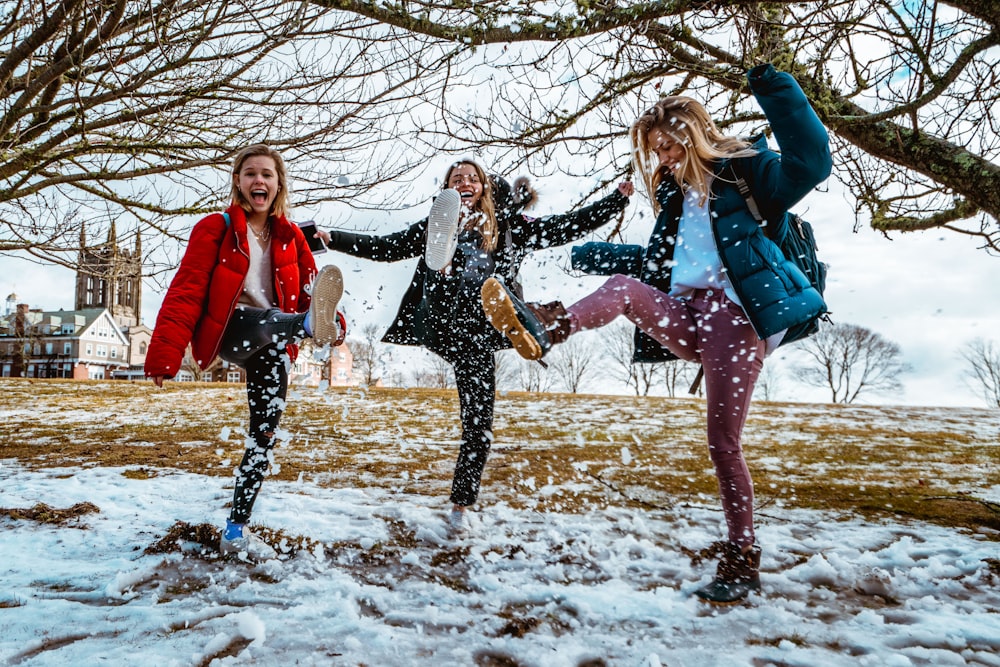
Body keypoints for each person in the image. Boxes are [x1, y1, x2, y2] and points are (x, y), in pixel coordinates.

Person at [482, 64, 832, 603]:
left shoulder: (747, 174)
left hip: (737, 324)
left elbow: (811, 161)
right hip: (691, 316)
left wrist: (773, 86)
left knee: (722, 443)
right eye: (657, 152)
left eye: (669, 147)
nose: (664, 160)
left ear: (693, 134)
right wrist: (589, 254)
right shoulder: (674, 200)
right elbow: (658, 268)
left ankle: (741, 556)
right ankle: (548, 329)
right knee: (622, 285)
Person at [317, 158, 633, 535]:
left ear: (484, 186)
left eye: (473, 178)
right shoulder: (435, 223)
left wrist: (615, 201)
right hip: (448, 322)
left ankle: (460, 505)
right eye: (457, 179)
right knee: (444, 262)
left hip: (484, 328)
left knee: (478, 423)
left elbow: (563, 226)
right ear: (448, 190)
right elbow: (387, 247)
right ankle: (449, 266)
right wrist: (333, 238)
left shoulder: (511, 225)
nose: (466, 182)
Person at [145, 144, 347, 562]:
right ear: (238, 181)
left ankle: (236, 528)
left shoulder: (292, 237)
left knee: (264, 434)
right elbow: (185, 291)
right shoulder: (214, 228)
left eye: (267, 174)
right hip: (230, 330)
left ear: (278, 184)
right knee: (273, 318)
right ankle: (304, 326)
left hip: (273, 341)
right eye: (251, 173)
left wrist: (337, 325)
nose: (259, 181)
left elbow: (318, 292)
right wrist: (165, 353)